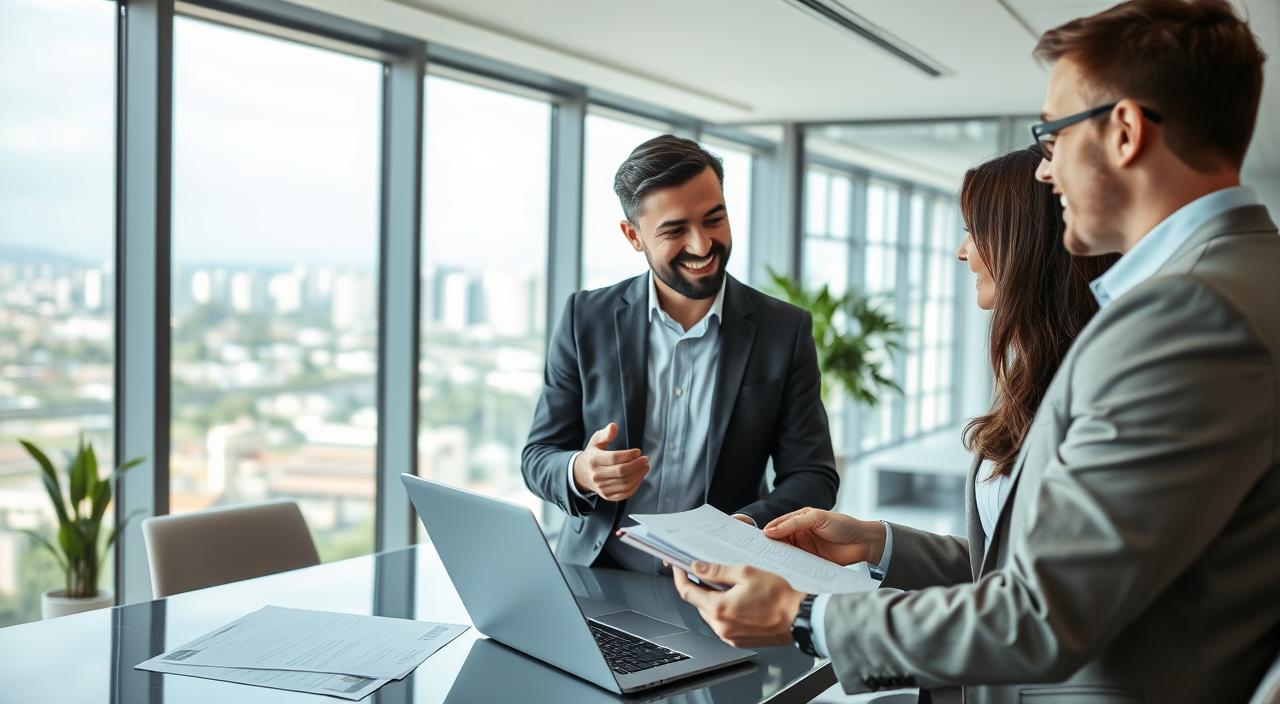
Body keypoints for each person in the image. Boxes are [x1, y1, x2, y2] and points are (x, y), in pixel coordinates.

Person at [672, 2, 1280, 702]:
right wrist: (878, 542)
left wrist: (803, 613)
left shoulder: (1187, 316)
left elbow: (1045, 614)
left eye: (1050, 137)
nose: (1046, 173)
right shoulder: (1240, 280)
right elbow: (1059, 564)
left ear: (1124, 132)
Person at [522, 135, 839, 572]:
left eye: (715, 219)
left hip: (720, 580)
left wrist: (741, 528)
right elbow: (538, 456)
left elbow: (813, 476)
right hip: (595, 575)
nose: (702, 245)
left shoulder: (784, 330)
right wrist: (581, 471)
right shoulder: (585, 318)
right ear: (633, 236)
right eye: (674, 230)